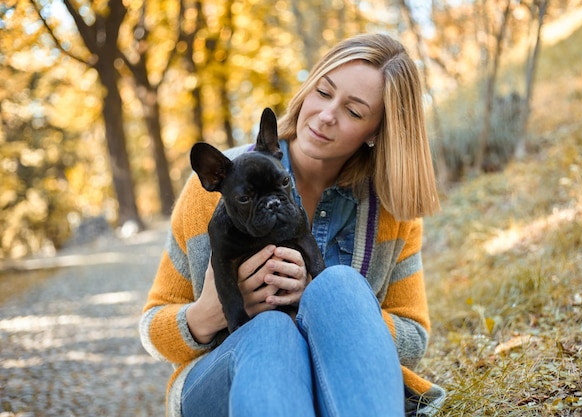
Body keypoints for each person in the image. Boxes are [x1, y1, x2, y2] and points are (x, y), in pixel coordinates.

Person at [139, 33, 446, 417]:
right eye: (323, 92)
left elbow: (414, 338)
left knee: (339, 286)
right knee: (271, 332)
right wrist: (207, 313)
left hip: (339, 385)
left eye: (353, 111)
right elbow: (151, 329)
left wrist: (320, 303)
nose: (326, 115)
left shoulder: (392, 209)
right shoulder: (218, 187)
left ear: (376, 132)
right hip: (227, 381)